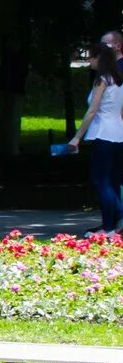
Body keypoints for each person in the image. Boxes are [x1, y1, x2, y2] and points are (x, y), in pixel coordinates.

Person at [68, 42, 121, 233]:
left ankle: (115, 220)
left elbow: (92, 111)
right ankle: (111, 226)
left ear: (100, 58)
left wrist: (76, 138)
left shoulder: (102, 80)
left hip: (104, 135)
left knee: (101, 181)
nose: (89, 60)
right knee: (112, 182)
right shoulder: (118, 79)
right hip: (118, 135)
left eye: (91, 57)